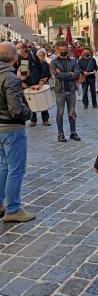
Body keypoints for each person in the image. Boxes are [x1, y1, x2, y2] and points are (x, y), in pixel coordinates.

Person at [0, 42, 35, 222]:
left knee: (3, 166)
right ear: (15, 58)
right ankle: (13, 209)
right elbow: (16, 110)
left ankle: (0, 203)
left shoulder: (9, 77)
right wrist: (29, 112)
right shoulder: (10, 78)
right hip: (11, 128)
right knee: (16, 169)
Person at [50, 41, 81, 143]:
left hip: (71, 90)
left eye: (65, 49)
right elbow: (57, 75)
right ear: (57, 50)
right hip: (60, 90)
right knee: (60, 112)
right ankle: (60, 133)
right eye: (61, 50)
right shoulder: (54, 62)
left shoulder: (73, 61)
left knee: (72, 112)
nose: (63, 51)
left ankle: (73, 132)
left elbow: (77, 75)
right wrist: (69, 73)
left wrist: (64, 74)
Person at [16, 45, 47, 127]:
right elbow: (21, 73)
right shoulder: (19, 59)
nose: (18, 50)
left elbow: (41, 68)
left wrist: (42, 79)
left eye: (19, 48)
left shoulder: (33, 56)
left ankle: (45, 119)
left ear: (24, 49)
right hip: (27, 84)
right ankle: (33, 120)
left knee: (42, 100)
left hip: (38, 82)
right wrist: (21, 82)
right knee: (30, 102)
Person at [34, 48, 51, 126]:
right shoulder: (33, 63)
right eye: (39, 55)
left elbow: (48, 73)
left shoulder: (46, 64)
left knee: (43, 102)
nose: (40, 56)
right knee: (33, 103)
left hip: (44, 84)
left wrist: (45, 78)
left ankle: (45, 119)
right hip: (35, 84)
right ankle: (33, 120)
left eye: (42, 55)